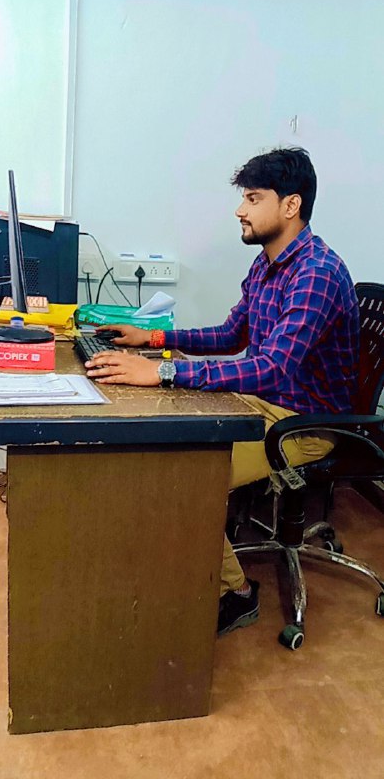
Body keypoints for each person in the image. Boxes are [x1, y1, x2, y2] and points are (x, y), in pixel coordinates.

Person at [85, 147, 360, 636]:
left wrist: (163, 372)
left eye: (253, 199)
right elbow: (232, 336)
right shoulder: (267, 265)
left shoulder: (315, 272)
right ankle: (187, 558)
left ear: (290, 205)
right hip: (265, 403)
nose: (240, 210)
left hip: (304, 424)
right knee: (161, 434)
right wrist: (153, 338)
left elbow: (272, 367)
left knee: (182, 476)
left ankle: (235, 593)